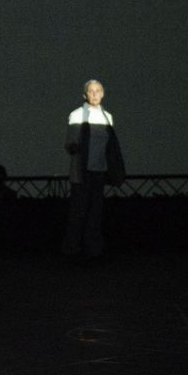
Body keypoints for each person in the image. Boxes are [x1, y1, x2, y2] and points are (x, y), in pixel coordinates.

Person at [63, 79, 125, 259]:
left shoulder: (108, 117)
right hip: (81, 173)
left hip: (99, 172)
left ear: (103, 93)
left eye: (98, 90)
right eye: (91, 91)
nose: (95, 94)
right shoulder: (76, 115)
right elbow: (69, 144)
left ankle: (92, 251)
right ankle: (73, 250)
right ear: (85, 95)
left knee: (95, 214)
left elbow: (111, 148)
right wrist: (74, 147)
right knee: (78, 213)